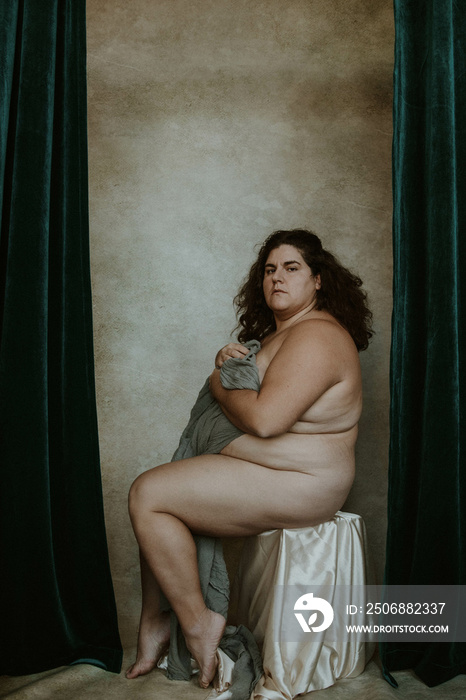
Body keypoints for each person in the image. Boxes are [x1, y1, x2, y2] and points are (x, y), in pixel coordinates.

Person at [126, 228, 372, 687]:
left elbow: (264, 419)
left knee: (151, 493)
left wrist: (220, 381)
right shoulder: (280, 334)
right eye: (269, 269)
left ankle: (197, 621)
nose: (277, 277)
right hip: (270, 469)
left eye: (291, 268)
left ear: (318, 280)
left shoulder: (317, 335)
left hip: (305, 483)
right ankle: (158, 620)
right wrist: (230, 360)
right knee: (155, 490)